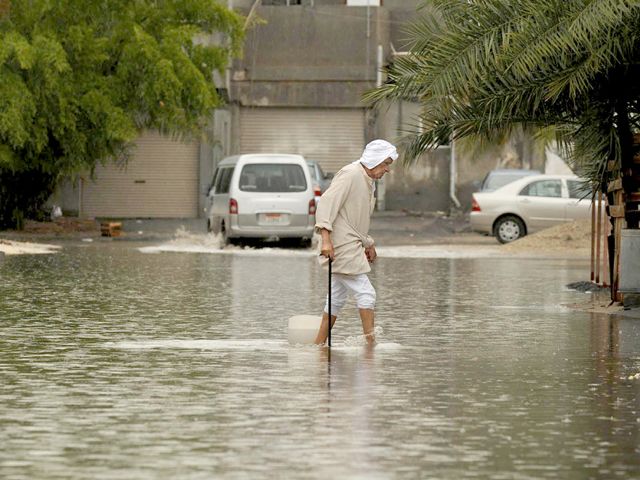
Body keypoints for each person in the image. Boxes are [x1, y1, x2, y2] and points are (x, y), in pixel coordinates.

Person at [313, 139, 398, 346]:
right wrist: (325, 240)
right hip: (341, 246)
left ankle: (318, 346)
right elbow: (326, 203)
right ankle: (371, 346)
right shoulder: (350, 174)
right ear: (374, 160)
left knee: (335, 299)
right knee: (367, 293)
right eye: (385, 164)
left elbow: (355, 220)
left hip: (352, 244)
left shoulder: (368, 181)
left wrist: (368, 243)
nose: (387, 170)